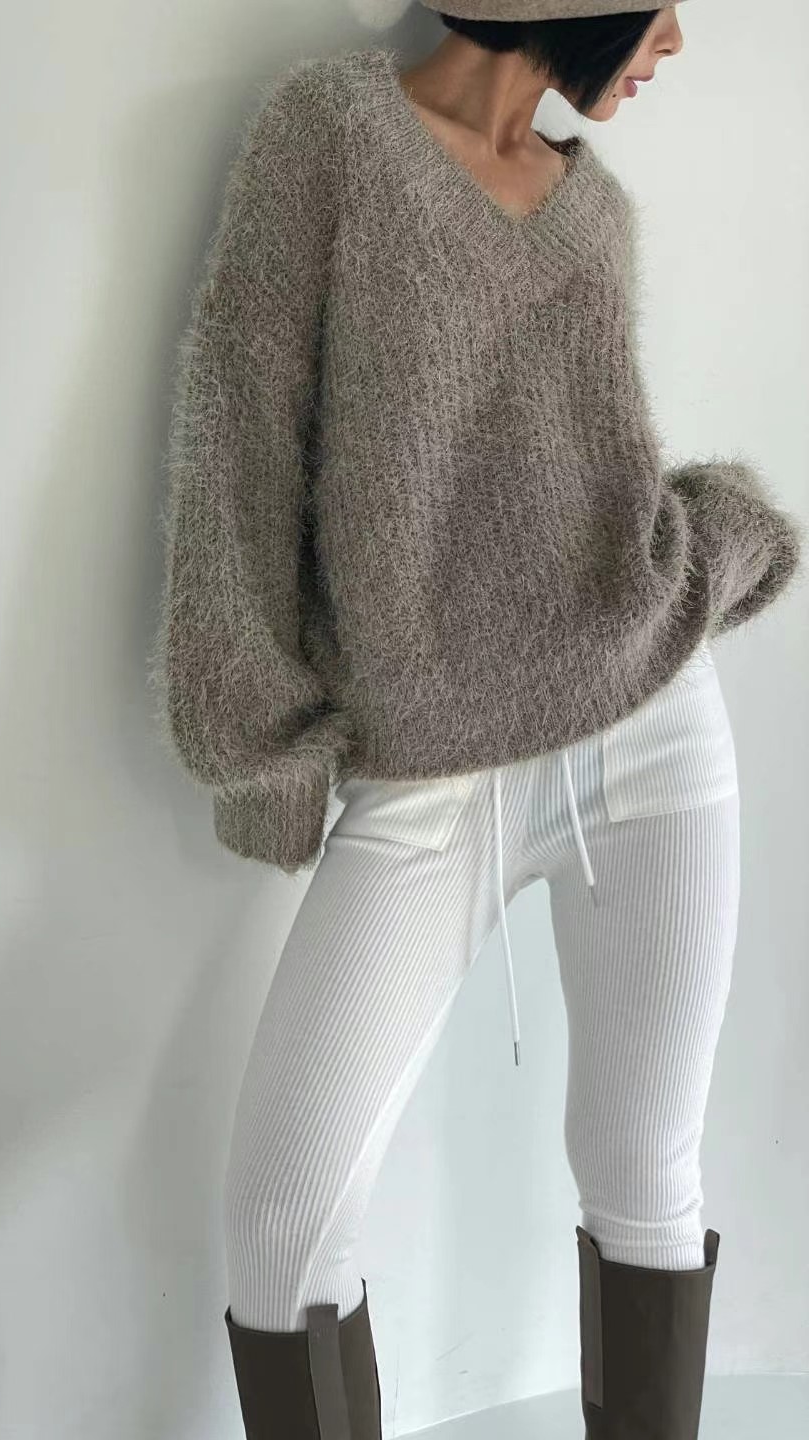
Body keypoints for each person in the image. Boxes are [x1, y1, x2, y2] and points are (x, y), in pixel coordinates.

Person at [148, 4, 805, 1437]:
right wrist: (258, 738)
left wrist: (710, 546)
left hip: (650, 734)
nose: (675, 37)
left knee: (646, 1174)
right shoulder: (331, 136)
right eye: (661, 0)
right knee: (282, 1228)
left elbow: (594, 484)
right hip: (430, 773)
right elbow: (238, 440)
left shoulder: (594, 206)